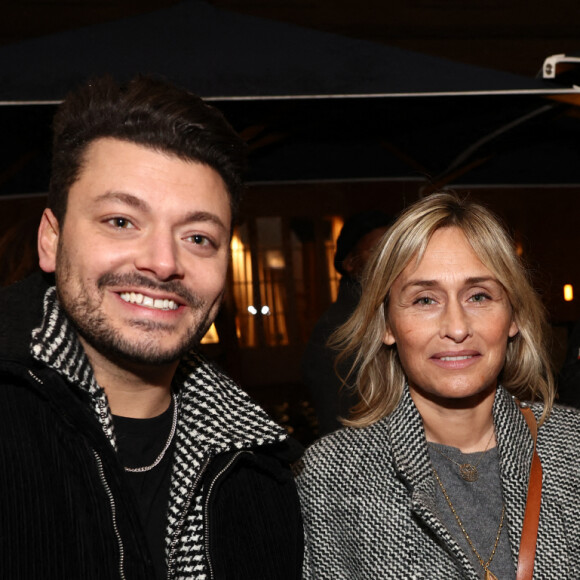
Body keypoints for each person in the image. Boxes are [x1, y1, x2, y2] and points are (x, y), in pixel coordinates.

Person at [0, 75, 303, 579]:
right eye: (121, 221)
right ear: (51, 240)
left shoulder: (263, 471)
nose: (163, 263)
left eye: (199, 237)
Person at [295, 192, 580, 579]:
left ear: (513, 316)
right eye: (425, 300)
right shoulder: (330, 475)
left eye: (479, 296)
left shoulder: (572, 449)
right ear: (387, 325)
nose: (457, 328)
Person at [301, 211, 391, 436]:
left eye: (394, 251)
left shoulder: (391, 312)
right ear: (351, 263)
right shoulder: (338, 329)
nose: (389, 260)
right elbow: (339, 424)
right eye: (377, 251)